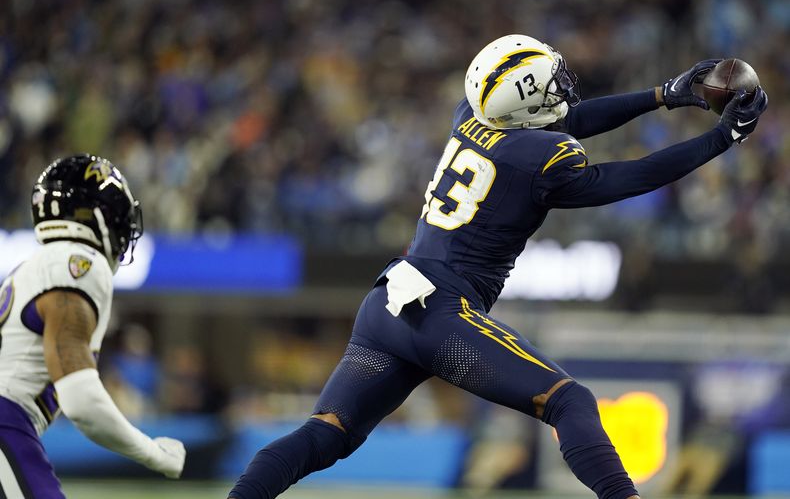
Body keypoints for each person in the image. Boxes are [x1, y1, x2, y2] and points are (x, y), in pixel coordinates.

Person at [228, 35, 768, 499]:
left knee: (325, 435)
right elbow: (631, 176)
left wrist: (661, 97)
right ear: (524, 103)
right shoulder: (540, 158)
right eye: (549, 84)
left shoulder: (473, 114)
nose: (561, 89)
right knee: (569, 401)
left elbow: (568, 119)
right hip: (442, 314)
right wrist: (723, 137)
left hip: (389, 303)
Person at [0, 154, 186, 497]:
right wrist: (153, 453)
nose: (122, 227)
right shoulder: (79, 263)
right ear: (93, 215)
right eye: (116, 214)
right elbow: (81, 399)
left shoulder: (33, 268)